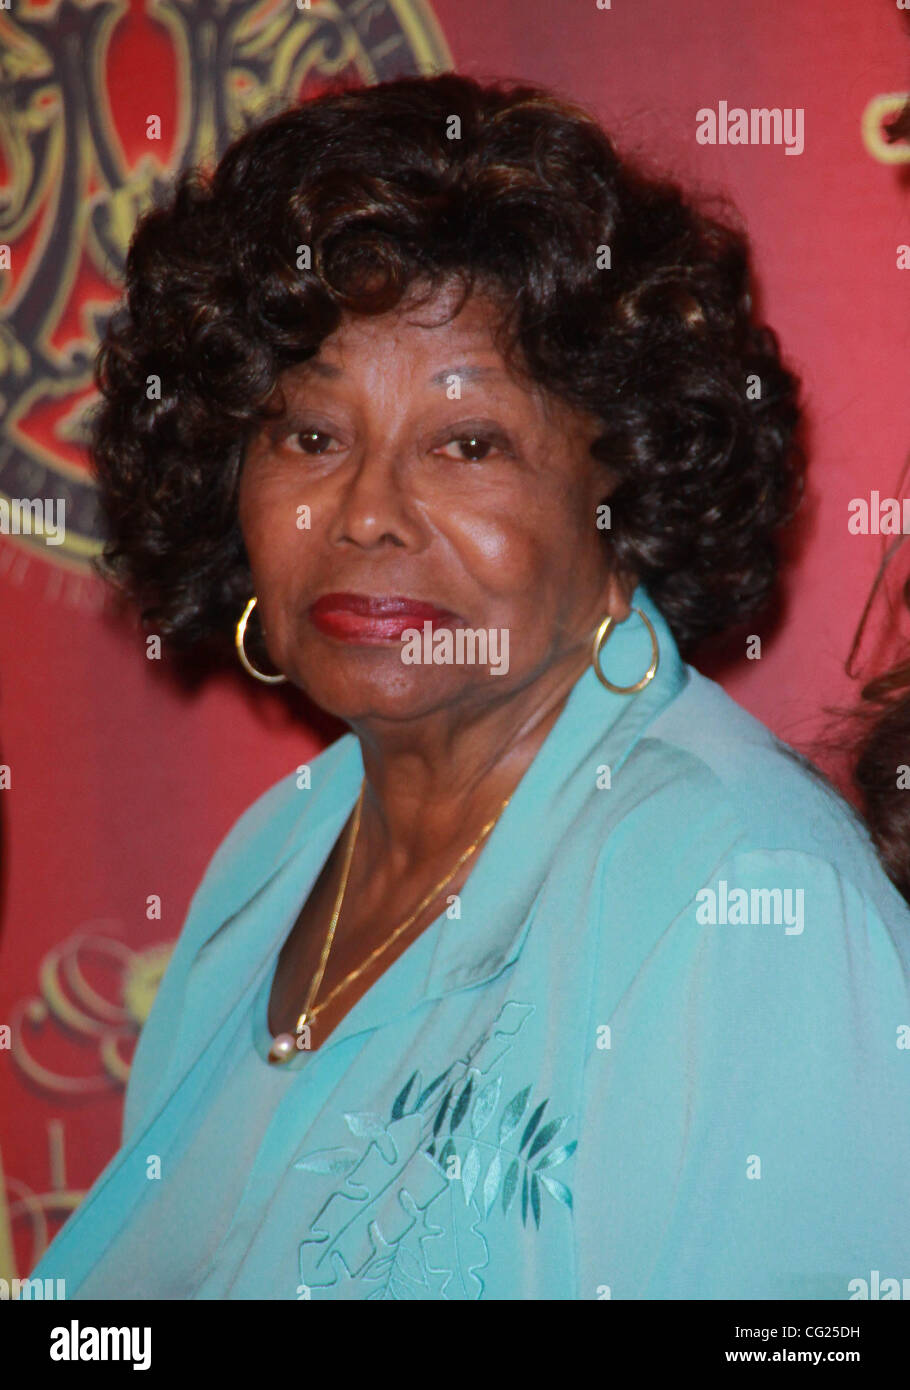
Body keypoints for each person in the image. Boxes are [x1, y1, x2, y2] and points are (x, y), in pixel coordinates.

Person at [29, 72, 910, 1300]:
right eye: (309, 436)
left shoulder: (744, 893)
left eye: (467, 444)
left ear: (623, 488)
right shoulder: (266, 865)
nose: (368, 514)